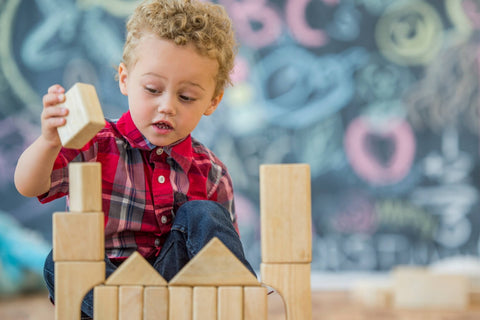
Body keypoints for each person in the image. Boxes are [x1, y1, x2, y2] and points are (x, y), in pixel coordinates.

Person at [14, 0, 255, 318]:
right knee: (60, 259)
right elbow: (29, 185)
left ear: (212, 100)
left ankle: (232, 306)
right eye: (153, 89)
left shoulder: (210, 172)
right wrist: (48, 141)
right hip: (109, 291)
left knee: (205, 215)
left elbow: (217, 250)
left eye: (186, 97)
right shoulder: (95, 145)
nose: (167, 106)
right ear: (125, 79)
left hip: (174, 295)